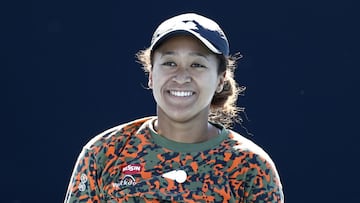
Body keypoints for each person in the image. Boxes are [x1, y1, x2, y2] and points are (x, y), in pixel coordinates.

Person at [64, 12, 284, 203]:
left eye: (197, 65)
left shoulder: (251, 167)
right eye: (170, 63)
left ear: (220, 79)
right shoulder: (103, 153)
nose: (181, 77)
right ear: (151, 75)